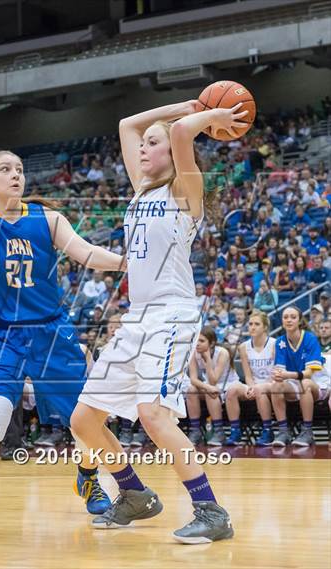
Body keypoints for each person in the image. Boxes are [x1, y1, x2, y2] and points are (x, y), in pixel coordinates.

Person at [0, 67, 125, 541]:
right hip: (1, 334)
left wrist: (130, 261)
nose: (16, 175)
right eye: (5, 169)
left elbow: (86, 254)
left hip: (52, 330)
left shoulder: (49, 219)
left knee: (85, 418)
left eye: (20, 169)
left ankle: (87, 478)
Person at [71, 97, 248, 543]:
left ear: (173, 151)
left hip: (173, 315)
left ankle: (211, 511)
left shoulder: (185, 191)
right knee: (84, 420)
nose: (143, 149)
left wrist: (210, 116)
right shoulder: (141, 190)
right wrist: (186, 104)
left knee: (153, 414)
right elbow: (127, 123)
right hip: (137, 319)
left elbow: (185, 132)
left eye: (155, 144)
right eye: (145, 145)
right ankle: (134, 495)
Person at [271, 306, 329, 447]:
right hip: (294, 383)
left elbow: (308, 374)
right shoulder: (280, 342)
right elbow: (280, 371)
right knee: (275, 386)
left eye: (293, 317)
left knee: (305, 384)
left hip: (317, 383)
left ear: (299, 320)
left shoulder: (310, 339)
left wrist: (286, 375)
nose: (289, 320)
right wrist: (278, 376)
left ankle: (307, 431)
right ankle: (284, 431)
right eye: (285, 317)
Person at [225, 311, 276, 446]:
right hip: (253, 384)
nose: (252, 327)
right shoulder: (243, 347)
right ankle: (235, 431)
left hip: (272, 384)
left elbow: (276, 372)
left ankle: (268, 430)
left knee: (260, 389)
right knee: (231, 390)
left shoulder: (275, 344)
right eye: (250, 324)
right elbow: (247, 375)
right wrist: (251, 387)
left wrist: (258, 388)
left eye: (257, 324)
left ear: (265, 327)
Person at [186, 327, 240, 447]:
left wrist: (209, 360)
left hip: (229, 384)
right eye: (196, 340)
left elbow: (214, 379)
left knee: (210, 392)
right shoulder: (193, 353)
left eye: (201, 341)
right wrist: (207, 387)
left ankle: (219, 431)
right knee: (191, 390)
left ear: (212, 343)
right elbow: (193, 379)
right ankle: (196, 431)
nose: (197, 343)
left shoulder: (222, 353)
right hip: (210, 384)